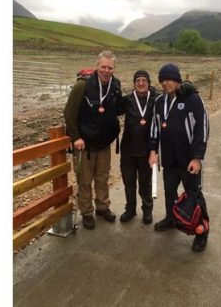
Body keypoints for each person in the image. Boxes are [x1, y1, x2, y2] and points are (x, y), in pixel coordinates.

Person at [148, 63, 211, 252]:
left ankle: (202, 231)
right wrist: (153, 151)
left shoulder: (191, 98)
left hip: (188, 161)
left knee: (194, 195)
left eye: (170, 79)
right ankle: (171, 218)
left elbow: (203, 127)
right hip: (169, 160)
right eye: (163, 80)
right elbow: (154, 127)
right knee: (169, 192)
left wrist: (197, 157)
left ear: (178, 80)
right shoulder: (159, 101)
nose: (166, 83)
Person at [63, 50, 122, 230]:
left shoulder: (116, 85)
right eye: (103, 66)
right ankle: (87, 212)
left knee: (103, 178)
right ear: (97, 66)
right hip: (85, 145)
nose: (106, 70)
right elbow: (69, 112)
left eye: (110, 67)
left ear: (114, 68)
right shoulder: (82, 85)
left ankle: (103, 207)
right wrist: (76, 137)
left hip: (104, 143)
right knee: (85, 180)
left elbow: (118, 108)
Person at [118, 70, 160, 224]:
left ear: (149, 83)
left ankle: (147, 210)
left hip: (147, 151)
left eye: (144, 80)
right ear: (134, 83)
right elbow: (112, 109)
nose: (141, 83)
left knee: (145, 183)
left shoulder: (156, 100)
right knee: (128, 182)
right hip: (128, 149)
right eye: (138, 81)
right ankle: (130, 209)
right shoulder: (127, 100)